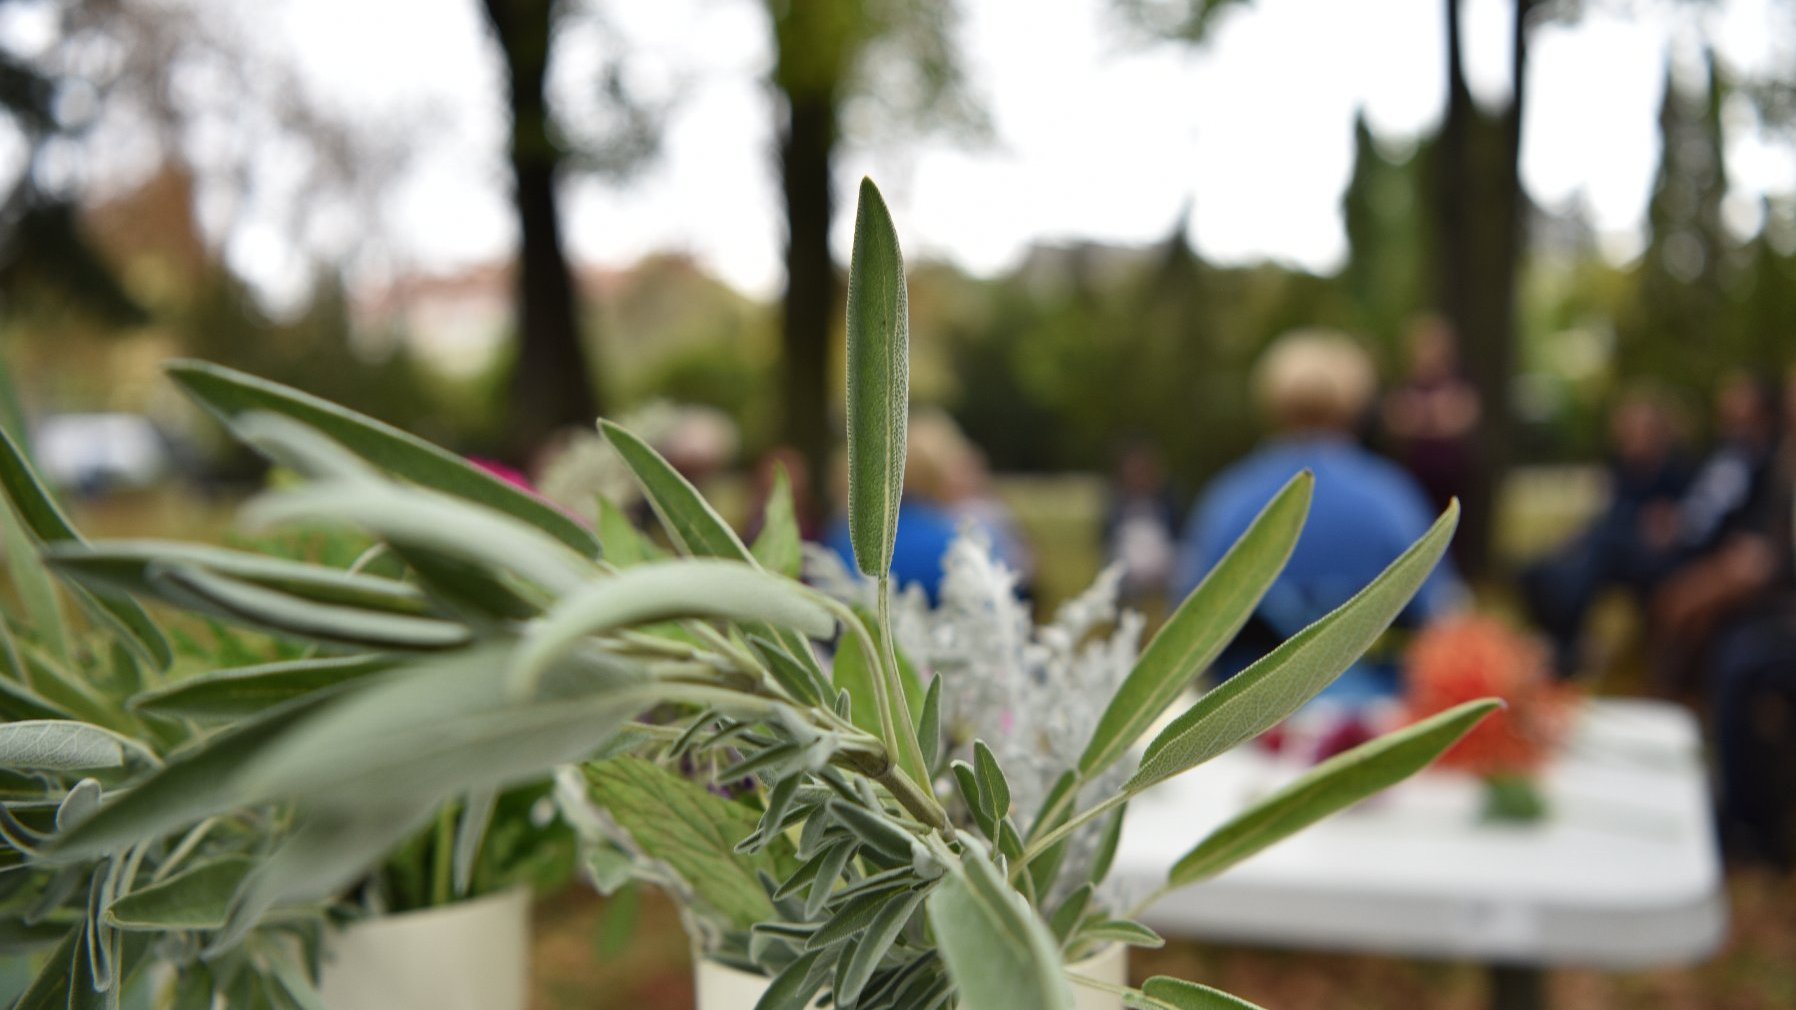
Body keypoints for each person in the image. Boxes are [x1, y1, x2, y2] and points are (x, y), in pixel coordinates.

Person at [1173, 329, 1464, 701]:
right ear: (1356, 405)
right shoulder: (1389, 496)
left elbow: (1187, 626)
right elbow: (1442, 617)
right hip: (1369, 718)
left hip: (1243, 720)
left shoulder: (1228, 497)